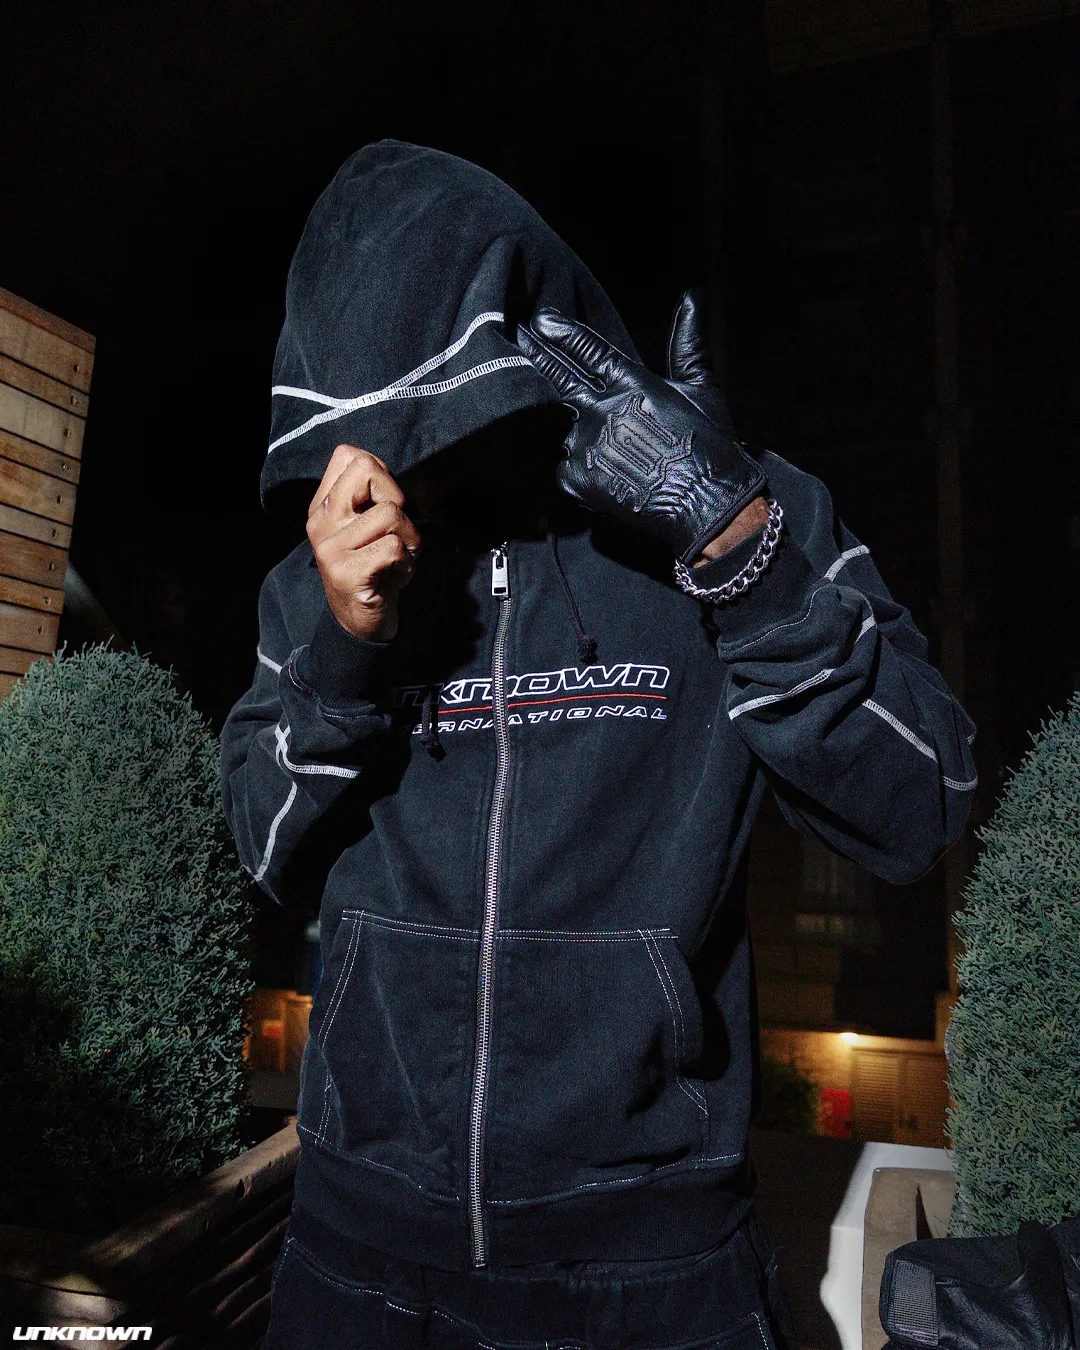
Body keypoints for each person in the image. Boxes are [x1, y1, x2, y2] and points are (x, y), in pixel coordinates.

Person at [220, 139, 978, 1350]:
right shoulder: (326, 577)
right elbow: (266, 854)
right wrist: (344, 652)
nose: (403, 456)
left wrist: (738, 551)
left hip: (652, 1278)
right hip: (357, 1260)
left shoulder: (744, 510)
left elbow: (919, 804)